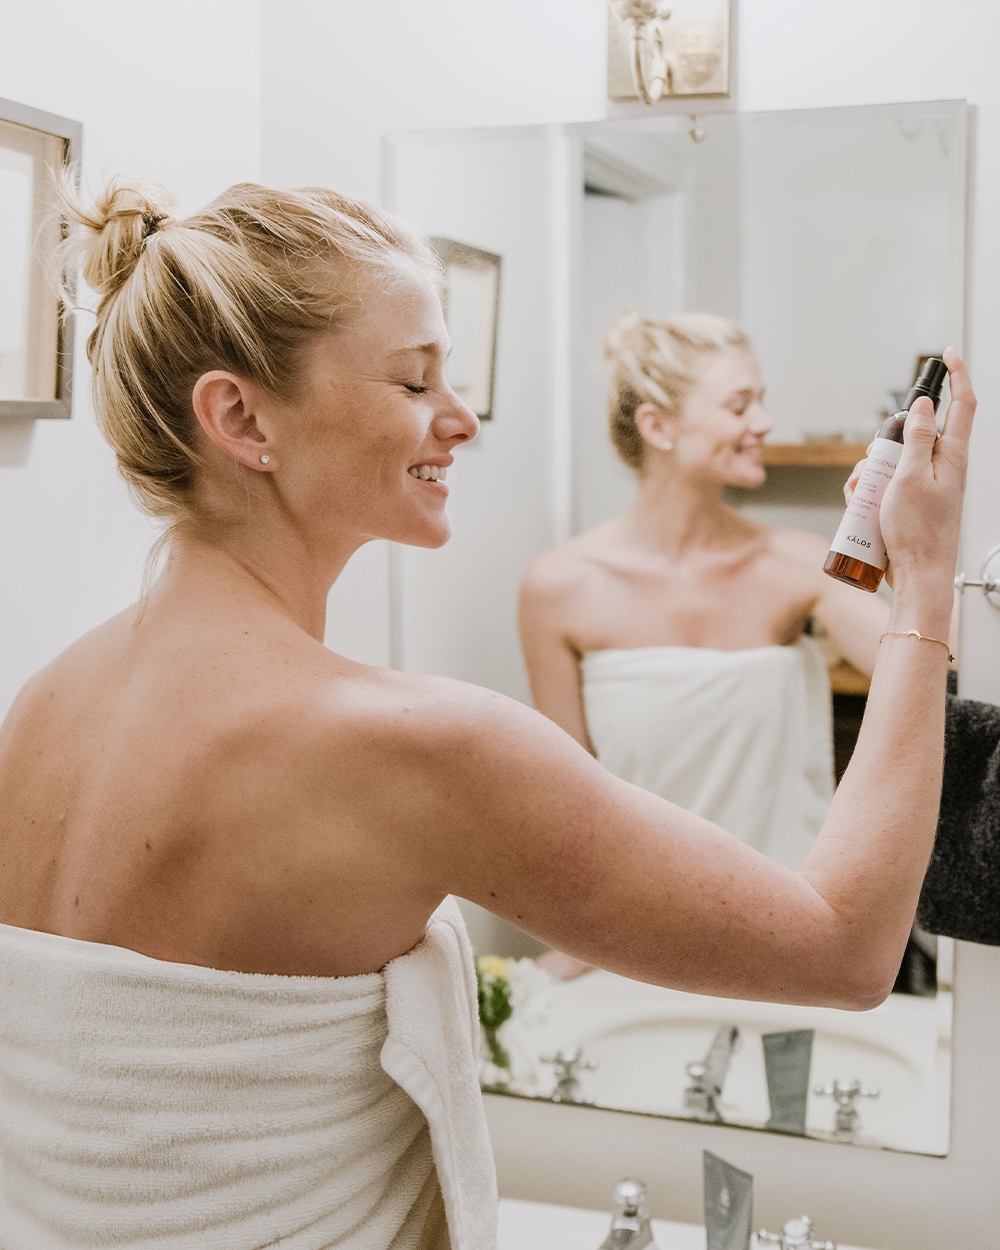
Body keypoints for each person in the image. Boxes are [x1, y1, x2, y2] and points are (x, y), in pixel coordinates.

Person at [0, 180, 974, 1250]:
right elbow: (843, 948)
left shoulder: (41, 705)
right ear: (240, 418)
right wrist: (924, 583)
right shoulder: (408, 744)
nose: (461, 418)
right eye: (417, 379)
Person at [520, 313, 904, 872]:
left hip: (791, 909)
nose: (765, 423)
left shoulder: (798, 561)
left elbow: (917, 666)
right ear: (657, 426)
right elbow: (566, 805)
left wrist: (913, 550)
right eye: (739, 405)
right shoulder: (559, 589)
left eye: (761, 402)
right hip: (640, 918)